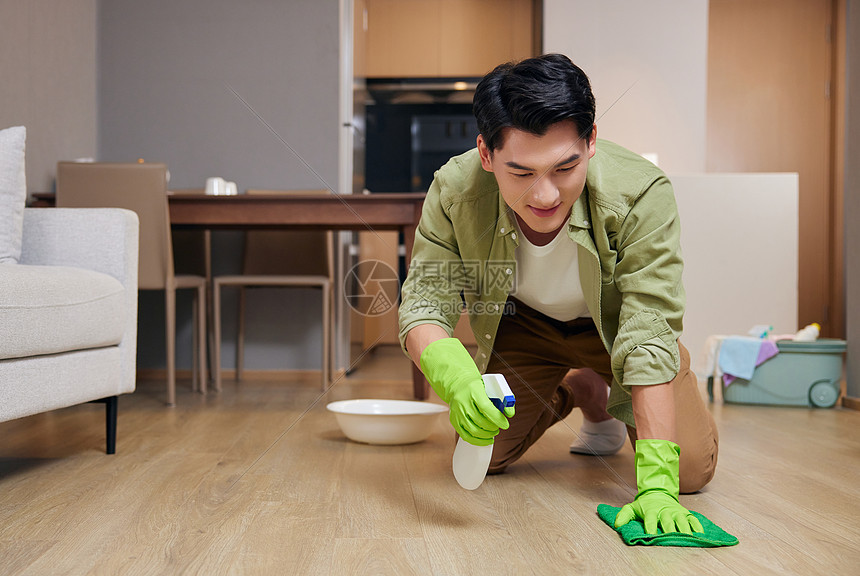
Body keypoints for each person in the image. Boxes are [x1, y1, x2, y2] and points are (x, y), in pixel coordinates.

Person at [398, 53, 719, 535]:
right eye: (522, 173)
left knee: (687, 474)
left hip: (616, 334)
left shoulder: (641, 192)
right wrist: (458, 381)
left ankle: (604, 379)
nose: (545, 196)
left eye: (564, 168)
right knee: (490, 455)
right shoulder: (454, 189)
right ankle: (583, 389)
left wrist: (655, 486)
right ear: (486, 155)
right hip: (525, 327)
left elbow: (650, 327)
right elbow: (424, 303)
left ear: (590, 142)